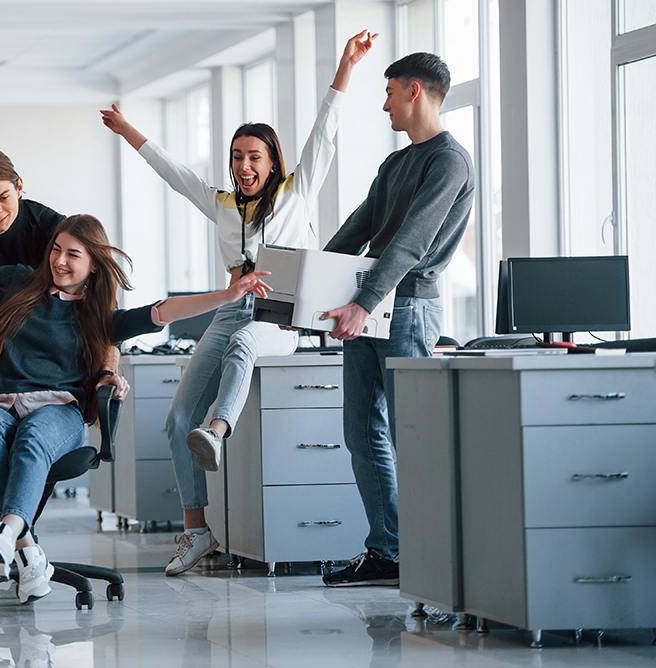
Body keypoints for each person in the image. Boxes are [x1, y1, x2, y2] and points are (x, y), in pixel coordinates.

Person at [0, 187, 274, 601]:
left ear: (94, 266)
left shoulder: (97, 316)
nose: (59, 261)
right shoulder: (13, 281)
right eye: (57, 249)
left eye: (73, 254)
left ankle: (8, 535)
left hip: (56, 410)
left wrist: (228, 295)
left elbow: (164, 311)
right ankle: (27, 552)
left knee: (31, 441)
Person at [100, 30, 376, 576]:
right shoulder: (223, 204)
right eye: (236, 157)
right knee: (178, 419)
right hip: (230, 307)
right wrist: (127, 129)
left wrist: (345, 66)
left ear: (272, 161)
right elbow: (172, 172)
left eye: (254, 156)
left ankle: (220, 429)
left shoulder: (298, 192)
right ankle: (196, 531)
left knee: (248, 343)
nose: (243, 166)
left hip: (280, 311)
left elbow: (325, 131)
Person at [319, 52, 474, 587]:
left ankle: (434, 554)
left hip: (406, 309)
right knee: (361, 432)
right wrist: (302, 288)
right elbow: (355, 230)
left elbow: (412, 243)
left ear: (414, 91)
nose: (384, 103)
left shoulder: (449, 161)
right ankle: (388, 550)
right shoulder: (395, 163)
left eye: (388, 92)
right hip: (368, 306)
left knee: (413, 434)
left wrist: (363, 304)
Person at [0, 149, 125, 557]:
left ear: (19, 187)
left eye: (3, 197)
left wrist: (106, 370)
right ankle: (24, 547)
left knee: (36, 447)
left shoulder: (51, 229)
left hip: (49, 354)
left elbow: (102, 309)